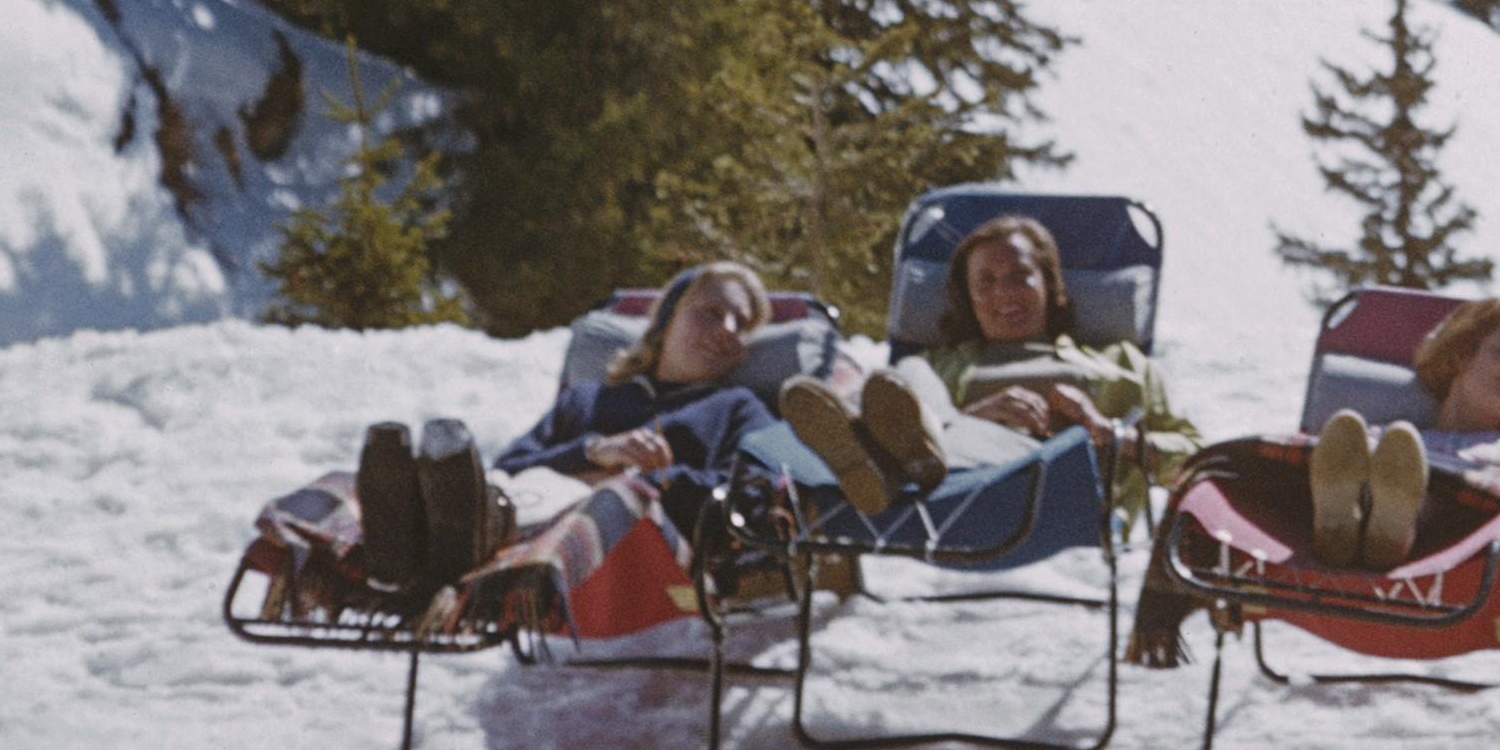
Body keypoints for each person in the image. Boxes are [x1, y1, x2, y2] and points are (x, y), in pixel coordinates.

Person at [779, 214, 1197, 521]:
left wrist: (1106, 431)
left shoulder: (1121, 364)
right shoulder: (938, 365)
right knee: (906, 372)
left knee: (915, 394)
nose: (1004, 293)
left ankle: (894, 463)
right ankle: (913, 452)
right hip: (944, 489)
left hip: (1051, 485)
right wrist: (970, 416)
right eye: (986, 282)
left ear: (1050, 285)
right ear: (969, 296)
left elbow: (1193, 458)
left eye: (1020, 276)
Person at [490, 262, 777, 542]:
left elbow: (753, 494)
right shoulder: (587, 399)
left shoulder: (738, 409)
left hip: (651, 560)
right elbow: (507, 469)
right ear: (668, 320)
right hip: (530, 530)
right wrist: (593, 451)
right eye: (712, 312)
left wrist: (638, 482)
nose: (729, 329)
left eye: (742, 324)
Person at [1307, 297, 1500, 572]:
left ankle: (1392, 531)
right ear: (1462, 356)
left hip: (1468, 556)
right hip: (1378, 511)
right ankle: (1344, 528)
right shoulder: (1395, 440)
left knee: (1407, 480)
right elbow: (1333, 460)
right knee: (1375, 455)